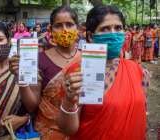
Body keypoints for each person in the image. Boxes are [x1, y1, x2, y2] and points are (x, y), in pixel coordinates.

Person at [57, 5, 150, 140]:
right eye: (105, 28)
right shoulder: (77, 73)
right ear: (90, 36)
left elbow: (141, 117)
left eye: (118, 28)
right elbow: (68, 130)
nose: (113, 33)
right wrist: (69, 101)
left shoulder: (138, 70)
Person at [10, 6, 79, 139]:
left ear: (77, 28)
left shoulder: (88, 60)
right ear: (50, 30)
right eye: (58, 25)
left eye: (69, 24)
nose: (64, 30)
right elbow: (32, 106)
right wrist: (21, 77)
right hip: (46, 132)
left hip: (80, 131)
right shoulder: (40, 59)